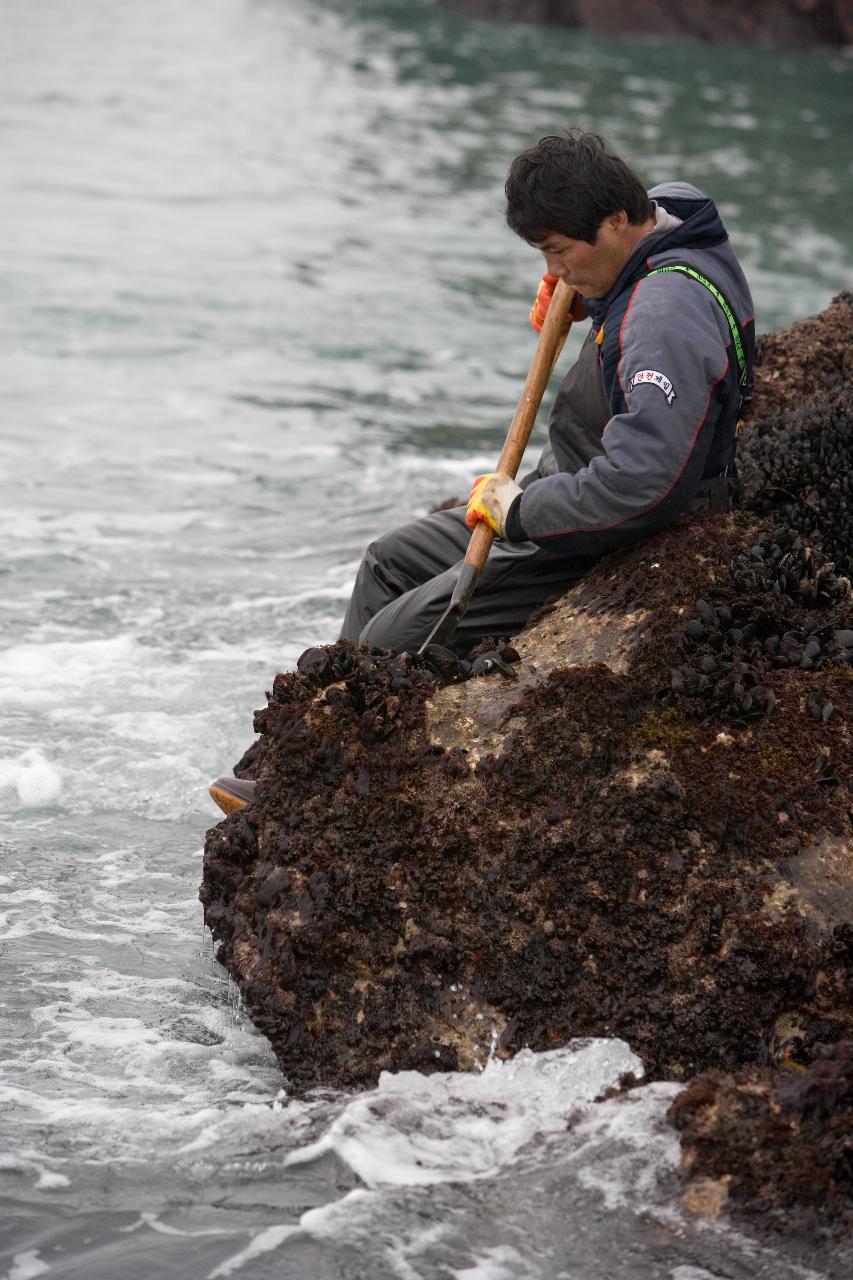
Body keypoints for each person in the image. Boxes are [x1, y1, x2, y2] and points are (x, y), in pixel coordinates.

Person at [209, 130, 754, 815]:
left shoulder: (665, 314)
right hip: (573, 481)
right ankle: (293, 747)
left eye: (559, 252)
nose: (553, 268)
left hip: (615, 528)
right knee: (388, 559)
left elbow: (643, 482)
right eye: (543, 254)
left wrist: (520, 511)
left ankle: (316, 793)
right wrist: (585, 295)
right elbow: (670, 193)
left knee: (395, 639)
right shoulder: (660, 219)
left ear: (616, 222)